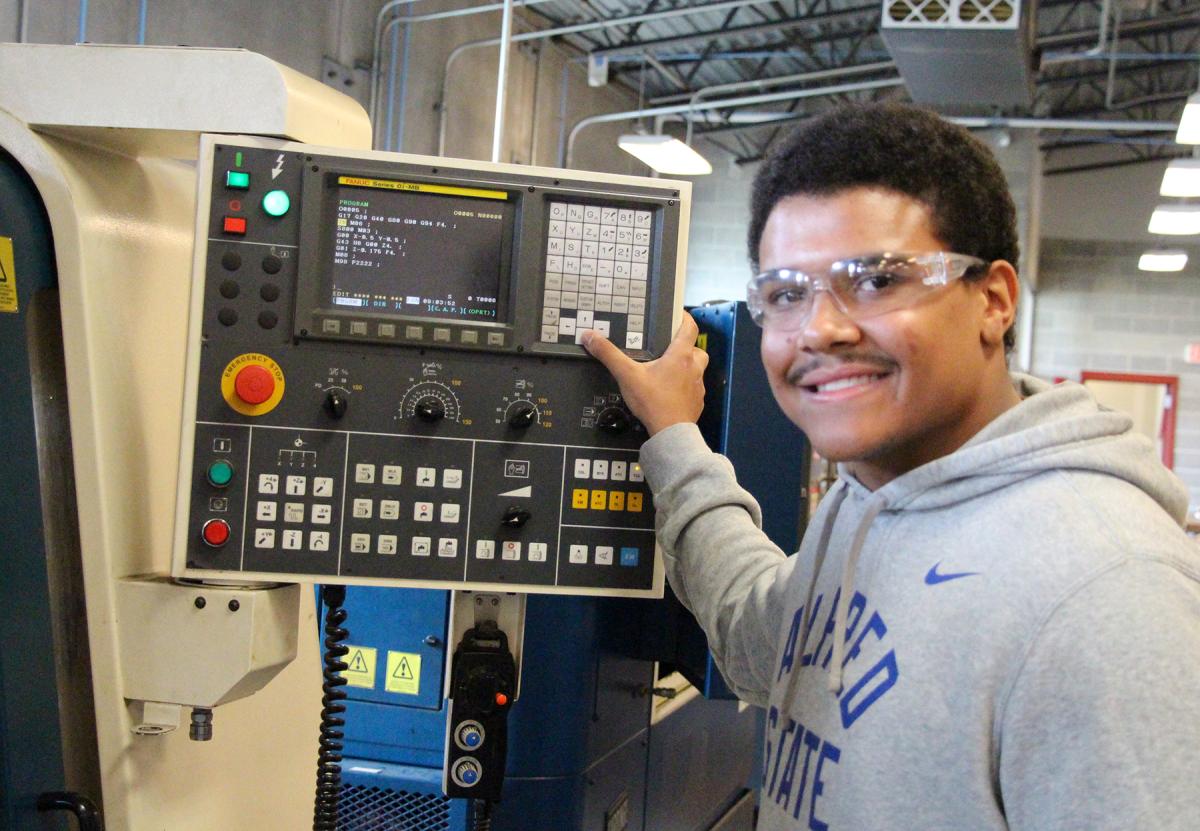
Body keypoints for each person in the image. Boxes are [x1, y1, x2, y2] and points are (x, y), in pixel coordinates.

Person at [581, 103, 1200, 830]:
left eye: (876, 281)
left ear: (994, 300)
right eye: (786, 293)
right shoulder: (872, 498)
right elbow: (759, 642)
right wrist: (675, 434)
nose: (821, 328)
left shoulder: (1106, 596)